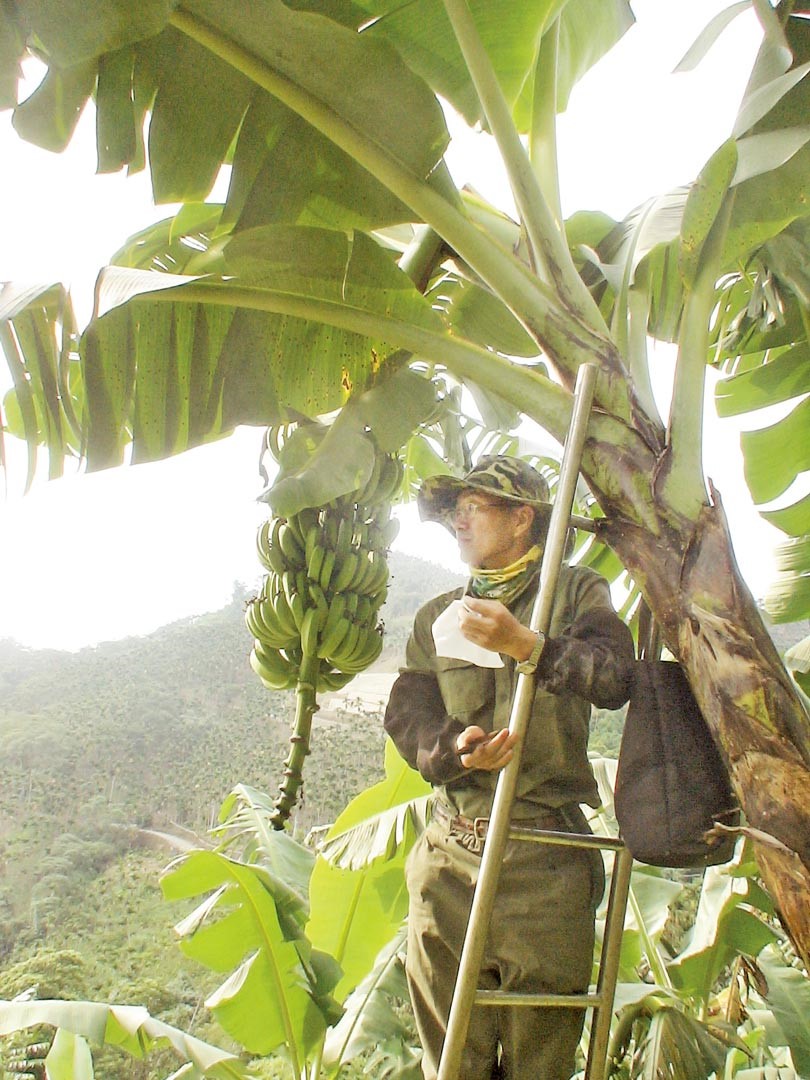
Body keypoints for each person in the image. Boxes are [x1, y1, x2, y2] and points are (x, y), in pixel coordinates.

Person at [383, 455, 635, 1080]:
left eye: (470, 509)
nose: (456, 524)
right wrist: (454, 748)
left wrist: (528, 646)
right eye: (453, 513)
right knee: (451, 1060)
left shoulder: (575, 591)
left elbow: (615, 676)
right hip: (449, 860)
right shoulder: (440, 613)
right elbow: (406, 711)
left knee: (538, 1058)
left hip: (541, 859)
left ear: (522, 518)